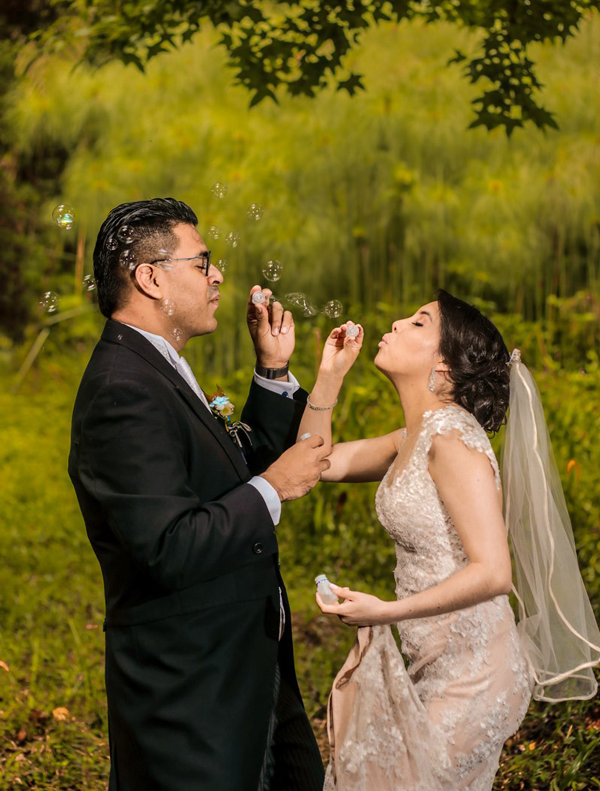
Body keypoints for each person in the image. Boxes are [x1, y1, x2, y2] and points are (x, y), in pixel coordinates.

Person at [68, 198, 330, 791]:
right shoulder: (121, 389)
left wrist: (272, 371)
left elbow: (229, 478)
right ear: (151, 278)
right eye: (202, 262)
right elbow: (170, 546)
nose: (218, 276)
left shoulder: (159, 366)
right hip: (192, 695)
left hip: (247, 668)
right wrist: (274, 487)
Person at [297, 290, 600, 791]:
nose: (396, 323)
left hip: (475, 675)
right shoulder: (411, 437)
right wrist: (330, 375)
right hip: (433, 667)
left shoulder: (453, 440)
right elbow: (314, 462)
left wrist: (385, 612)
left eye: (418, 322)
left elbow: (494, 573)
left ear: (444, 365)